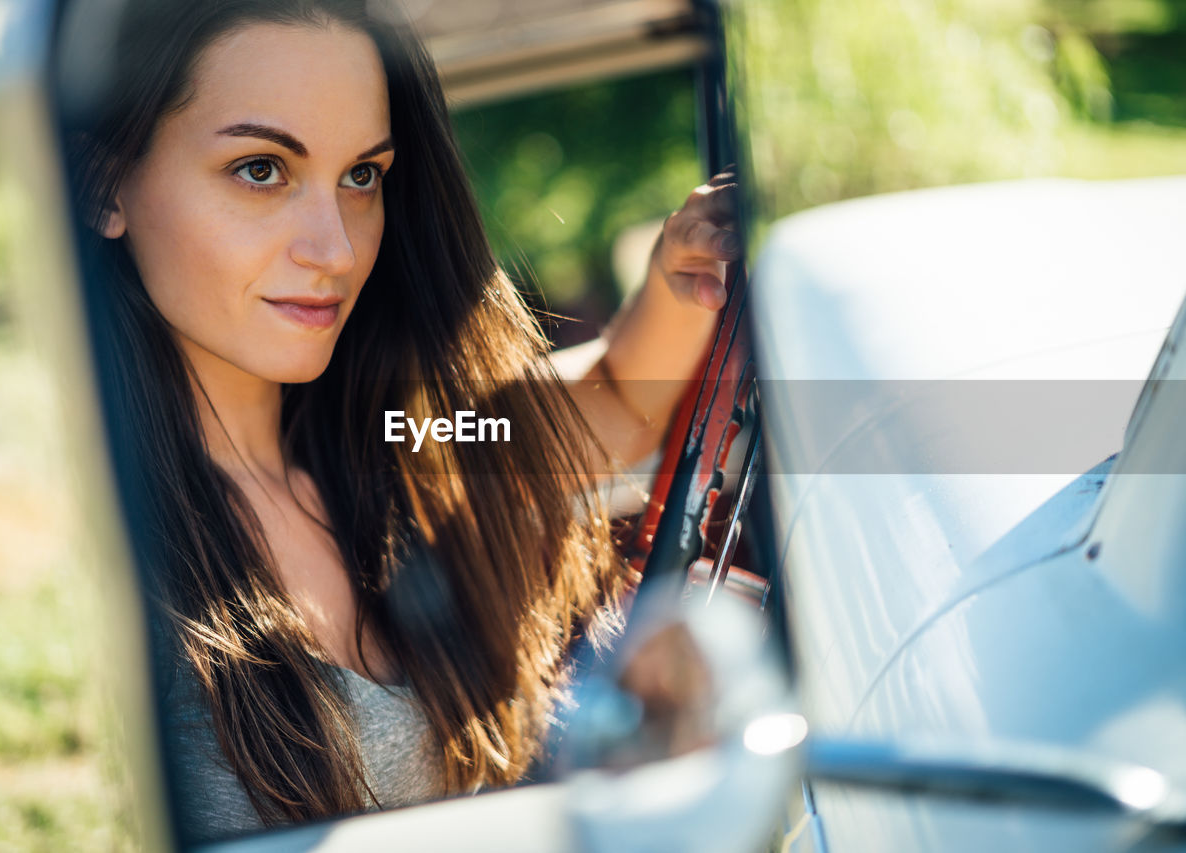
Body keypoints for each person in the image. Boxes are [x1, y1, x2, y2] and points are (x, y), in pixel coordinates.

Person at [60, 0, 738, 842]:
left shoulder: (397, 442)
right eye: (261, 170)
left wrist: (684, 274)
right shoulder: (105, 567)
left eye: (362, 176)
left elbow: (610, 414)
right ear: (102, 187)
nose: (336, 249)